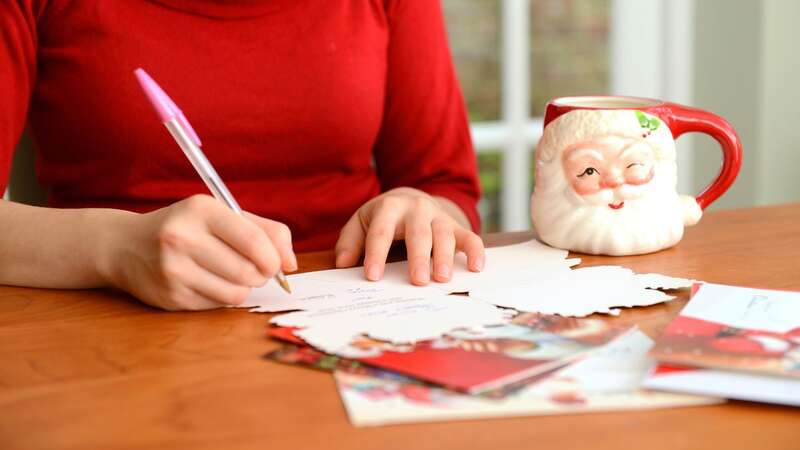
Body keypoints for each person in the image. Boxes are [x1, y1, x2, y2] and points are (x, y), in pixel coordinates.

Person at [0, 0, 485, 311]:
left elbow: (446, 188)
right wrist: (114, 249)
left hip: (355, 315)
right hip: (111, 330)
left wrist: (423, 211)